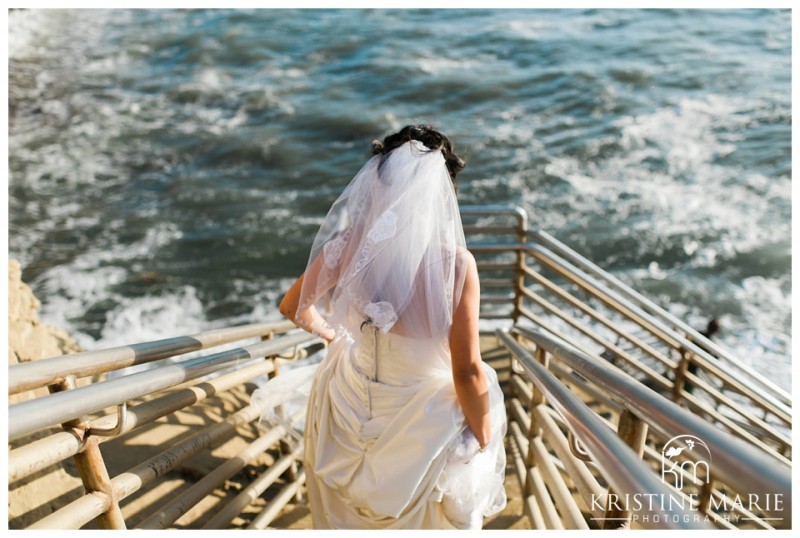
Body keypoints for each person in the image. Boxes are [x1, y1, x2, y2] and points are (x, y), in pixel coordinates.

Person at [274, 125, 507, 529]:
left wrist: (332, 334)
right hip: (419, 422)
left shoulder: (349, 246)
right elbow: (466, 370)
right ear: (442, 193)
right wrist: (484, 436)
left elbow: (293, 307)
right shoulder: (455, 266)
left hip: (349, 402)